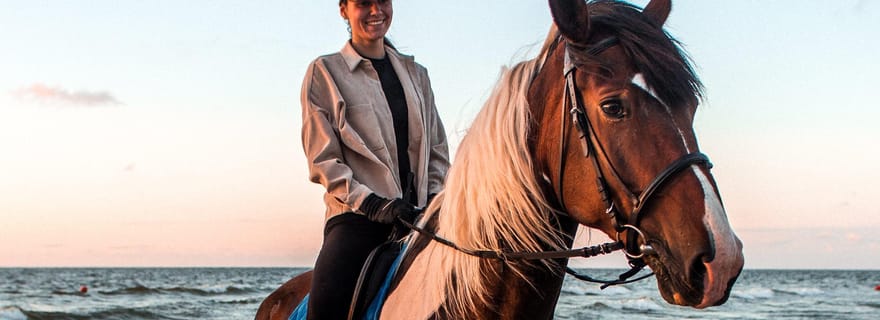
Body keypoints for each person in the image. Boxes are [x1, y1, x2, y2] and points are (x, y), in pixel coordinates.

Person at [300, 0, 450, 318]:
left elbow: (437, 151)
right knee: (326, 308)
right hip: (358, 220)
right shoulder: (324, 72)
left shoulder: (418, 75)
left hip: (421, 220)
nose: (375, 11)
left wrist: (436, 201)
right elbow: (323, 160)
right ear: (344, 9)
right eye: (363, 3)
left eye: (382, 1)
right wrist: (374, 204)